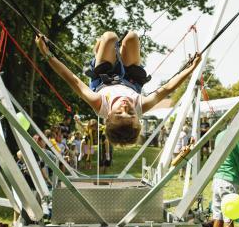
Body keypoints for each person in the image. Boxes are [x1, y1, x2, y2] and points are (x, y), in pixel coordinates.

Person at [35, 31, 202, 145]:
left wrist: (46, 53)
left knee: (110, 37)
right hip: (131, 78)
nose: (125, 107)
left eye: (119, 112)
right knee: (131, 37)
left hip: (105, 77)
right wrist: (190, 68)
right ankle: (115, 53)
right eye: (130, 113)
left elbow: (71, 79)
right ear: (137, 117)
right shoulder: (140, 106)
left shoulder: (99, 103)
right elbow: (166, 89)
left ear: (108, 116)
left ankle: (102, 51)